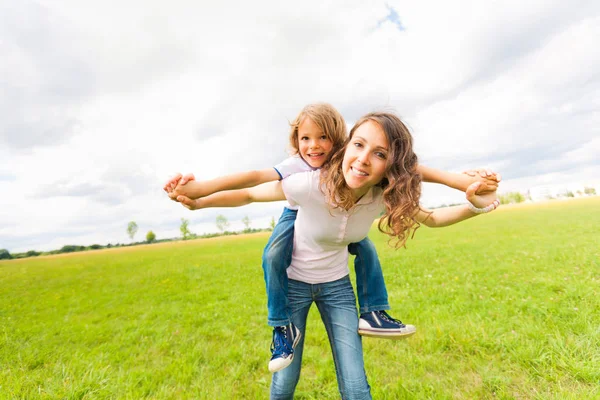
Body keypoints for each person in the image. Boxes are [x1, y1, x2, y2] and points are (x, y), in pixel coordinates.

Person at [171, 111, 500, 399]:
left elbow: (432, 218)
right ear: (346, 147)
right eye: (358, 145)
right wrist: (199, 197)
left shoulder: (381, 196)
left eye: (379, 153)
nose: (363, 158)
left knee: (356, 386)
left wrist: (475, 204)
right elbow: (248, 193)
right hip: (294, 285)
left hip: (337, 289)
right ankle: (283, 332)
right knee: (285, 381)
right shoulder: (311, 184)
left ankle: (373, 313)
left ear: (392, 165)